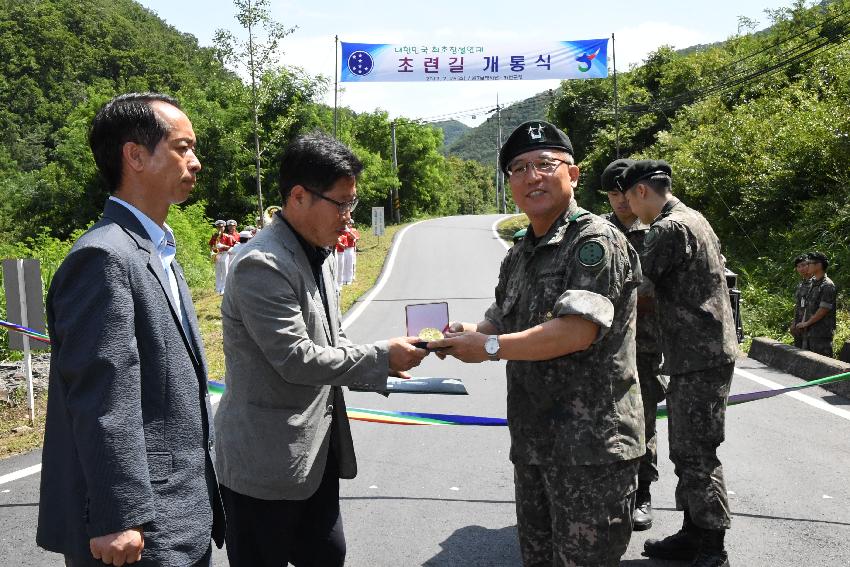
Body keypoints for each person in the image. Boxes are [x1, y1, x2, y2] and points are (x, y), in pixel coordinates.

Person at [430, 120, 645, 566]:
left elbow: (577, 330)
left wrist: (488, 348)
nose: (532, 177)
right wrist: (459, 336)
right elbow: (498, 320)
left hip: (591, 450)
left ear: (574, 173)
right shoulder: (521, 250)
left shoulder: (595, 242)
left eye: (545, 164)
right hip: (535, 442)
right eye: (519, 168)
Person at [214, 133, 428, 567]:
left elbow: (334, 339)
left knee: (328, 555)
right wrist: (380, 356)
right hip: (265, 464)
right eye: (342, 204)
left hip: (316, 456)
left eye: (352, 203)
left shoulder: (319, 251)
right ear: (298, 196)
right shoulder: (263, 264)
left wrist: (381, 371)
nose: (349, 217)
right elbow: (296, 358)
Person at [36, 93, 225, 566]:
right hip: (142, 531)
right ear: (135, 155)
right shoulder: (104, 257)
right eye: (183, 148)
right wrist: (117, 515)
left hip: (181, 514)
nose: (195, 162)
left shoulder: (155, 249)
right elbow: (103, 394)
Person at [619, 159, 738, 567]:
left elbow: (638, 291)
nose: (629, 209)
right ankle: (693, 532)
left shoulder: (669, 229)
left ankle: (711, 545)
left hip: (698, 355)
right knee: (687, 448)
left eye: (629, 199)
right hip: (700, 352)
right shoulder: (694, 218)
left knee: (695, 452)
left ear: (641, 192)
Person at [601, 158, 667, 531]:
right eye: (613, 195)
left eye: (625, 194)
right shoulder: (595, 231)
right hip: (601, 348)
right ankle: (609, 493)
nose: (621, 202)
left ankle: (642, 493)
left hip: (644, 346)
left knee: (643, 423)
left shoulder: (658, 229)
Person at [796, 251, 836, 357]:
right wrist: (803, 323)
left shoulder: (827, 285)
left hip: (821, 335)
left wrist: (806, 323)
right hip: (808, 333)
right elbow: (806, 306)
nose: (807, 266)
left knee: (823, 367)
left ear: (818, 265)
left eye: (809, 263)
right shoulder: (813, 283)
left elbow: (823, 310)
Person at [790, 254, 812, 348]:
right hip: (799, 324)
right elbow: (798, 305)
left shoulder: (816, 283)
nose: (801, 268)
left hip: (810, 324)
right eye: (798, 266)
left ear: (809, 265)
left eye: (803, 265)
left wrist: (804, 323)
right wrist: (794, 323)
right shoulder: (801, 284)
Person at [210, 219, 231, 294]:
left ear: (224, 228)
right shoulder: (214, 236)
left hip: (225, 254)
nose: (220, 229)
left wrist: (223, 246)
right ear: (217, 228)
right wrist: (212, 252)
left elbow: (230, 247)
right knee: (218, 272)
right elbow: (211, 245)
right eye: (218, 227)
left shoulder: (227, 236)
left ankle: (224, 288)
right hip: (217, 254)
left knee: (225, 271)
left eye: (221, 227)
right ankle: (218, 288)